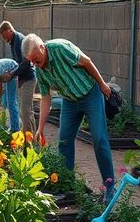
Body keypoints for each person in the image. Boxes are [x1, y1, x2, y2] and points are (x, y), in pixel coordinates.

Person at [22, 34, 115, 201]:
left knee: (99, 139)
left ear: (42, 47)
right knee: (64, 142)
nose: (36, 65)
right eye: (32, 62)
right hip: (70, 102)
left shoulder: (60, 48)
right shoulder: (39, 70)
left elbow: (86, 61)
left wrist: (102, 85)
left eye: (37, 60)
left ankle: (109, 187)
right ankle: (68, 186)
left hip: (90, 94)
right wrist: (40, 128)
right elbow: (45, 98)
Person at [0, 21, 37, 134]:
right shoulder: (13, 42)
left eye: (5, 36)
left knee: (25, 111)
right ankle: (33, 139)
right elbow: (16, 63)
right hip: (22, 80)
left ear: (10, 30)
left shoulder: (20, 40)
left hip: (28, 79)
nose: (4, 39)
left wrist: (13, 74)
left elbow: (26, 62)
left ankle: (28, 141)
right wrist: (12, 73)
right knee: (26, 111)